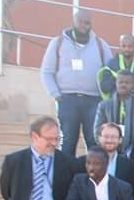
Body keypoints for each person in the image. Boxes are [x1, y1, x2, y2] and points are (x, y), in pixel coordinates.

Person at [39, 10, 114, 157]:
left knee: (94, 140)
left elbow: (111, 72)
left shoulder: (101, 45)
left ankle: (94, 171)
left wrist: (106, 97)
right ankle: (66, 171)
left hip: (94, 101)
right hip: (67, 100)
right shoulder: (58, 43)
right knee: (68, 141)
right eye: (80, 22)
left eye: (87, 23)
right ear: (73, 22)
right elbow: (46, 72)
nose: (84, 26)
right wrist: (56, 95)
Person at [94, 71, 134, 159]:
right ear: (115, 83)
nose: (123, 85)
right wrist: (107, 146)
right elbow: (97, 131)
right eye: (120, 82)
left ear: (133, 85)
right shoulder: (104, 106)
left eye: (127, 82)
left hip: (133, 154)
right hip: (108, 154)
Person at [99, 34, 134, 105]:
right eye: (124, 46)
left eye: (130, 46)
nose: (126, 49)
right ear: (120, 46)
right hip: (115, 106)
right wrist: (116, 77)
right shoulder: (111, 64)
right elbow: (104, 88)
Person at [96, 122, 134, 191]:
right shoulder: (84, 163)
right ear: (99, 138)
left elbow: (131, 192)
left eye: (113, 137)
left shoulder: (130, 166)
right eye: (106, 136)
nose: (109, 140)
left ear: (120, 140)